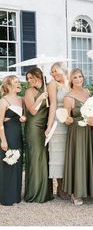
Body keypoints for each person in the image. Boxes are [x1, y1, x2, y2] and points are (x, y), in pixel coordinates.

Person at [62, 68, 93, 205]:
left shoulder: (88, 93)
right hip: (77, 131)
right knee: (78, 158)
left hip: (89, 130)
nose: (78, 79)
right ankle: (76, 193)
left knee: (88, 157)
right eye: (75, 78)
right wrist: (68, 119)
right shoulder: (68, 97)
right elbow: (66, 118)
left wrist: (92, 118)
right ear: (71, 80)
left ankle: (88, 190)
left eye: (80, 76)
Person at [24, 67, 53, 203]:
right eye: (28, 78)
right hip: (34, 127)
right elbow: (33, 111)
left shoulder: (48, 88)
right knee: (36, 158)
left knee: (44, 157)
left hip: (44, 127)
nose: (29, 80)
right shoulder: (29, 92)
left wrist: (49, 125)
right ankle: (34, 193)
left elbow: (52, 107)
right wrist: (40, 98)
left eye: (31, 77)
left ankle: (45, 193)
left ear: (39, 76)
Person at [45, 62, 70, 199]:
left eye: (55, 70)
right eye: (52, 72)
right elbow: (53, 105)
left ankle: (67, 185)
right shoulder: (53, 84)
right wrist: (49, 126)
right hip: (57, 123)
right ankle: (60, 187)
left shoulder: (70, 83)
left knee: (67, 155)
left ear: (63, 68)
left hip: (69, 123)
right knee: (57, 155)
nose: (54, 74)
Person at [0, 76, 25, 206]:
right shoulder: (3, 101)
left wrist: (24, 118)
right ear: (9, 86)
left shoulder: (21, 99)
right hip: (7, 134)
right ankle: (6, 197)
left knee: (17, 163)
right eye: (16, 82)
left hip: (17, 134)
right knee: (7, 164)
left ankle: (15, 195)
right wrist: (3, 141)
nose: (19, 84)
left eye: (19, 82)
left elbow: (25, 115)